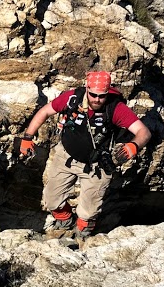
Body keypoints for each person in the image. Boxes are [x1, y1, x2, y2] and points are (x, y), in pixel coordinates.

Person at [19, 71, 151, 238]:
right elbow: (44, 111)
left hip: (97, 165)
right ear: (87, 89)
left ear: (107, 93)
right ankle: (65, 223)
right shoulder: (71, 98)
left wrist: (134, 145)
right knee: (52, 199)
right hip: (65, 156)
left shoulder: (115, 108)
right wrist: (28, 137)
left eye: (102, 96)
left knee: (88, 212)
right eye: (93, 94)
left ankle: (83, 234)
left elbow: (143, 132)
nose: (97, 99)